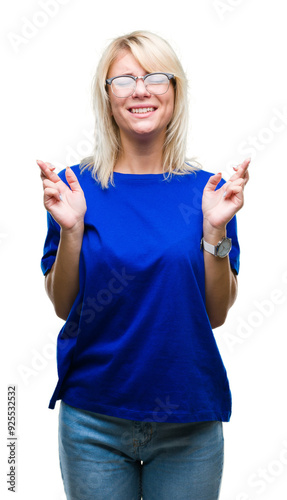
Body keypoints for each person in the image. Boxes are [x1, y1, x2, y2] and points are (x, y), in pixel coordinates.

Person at [37, 30, 250, 500]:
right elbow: (63, 306)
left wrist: (214, 233)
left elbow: (214, 315)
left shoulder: (208, 192)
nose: (141, 90)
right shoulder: (75, 189)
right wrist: (71, 232)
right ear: (106, 95)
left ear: (174, 92)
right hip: (93, 418)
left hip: (188, 421)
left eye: (155, 76)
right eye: (124, 79)